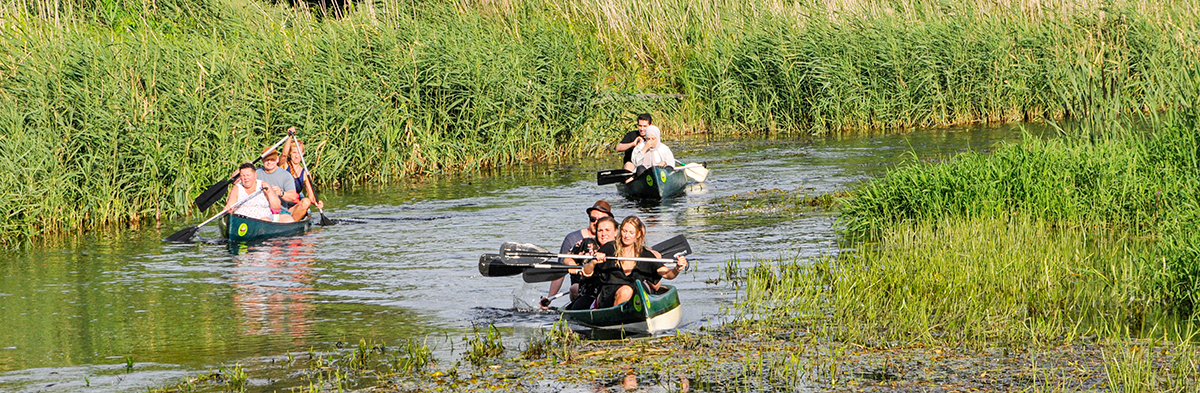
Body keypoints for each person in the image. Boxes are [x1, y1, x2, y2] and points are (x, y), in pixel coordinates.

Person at [581, 216, 688, 309]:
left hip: (634, 298)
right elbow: (586, 272)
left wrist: (677, 268)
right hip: (607, 297)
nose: (626, 236)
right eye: (624, 231)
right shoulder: (609, 248)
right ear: (620, 231)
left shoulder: (644, 254)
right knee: (626, 290)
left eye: (631, 232)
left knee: (631, 291)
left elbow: (667, 274)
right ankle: (616, 319)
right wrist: (594, 261)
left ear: (637, 235)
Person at [542, 200, 614, 308]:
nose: (596, 223)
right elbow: (562, 268)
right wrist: (550, 297)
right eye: (592, 219)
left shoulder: (618, 242)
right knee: (574, 288)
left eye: (601, 220)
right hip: (582, 285)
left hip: (609, 285)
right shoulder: (576, 240)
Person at [565, 216, 619, 310]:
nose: (603, 234)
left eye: (607, 230)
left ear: (616, 232)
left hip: (614, 290)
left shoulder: (622, 247)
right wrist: (572, 265)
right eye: (600, 230)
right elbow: (567, 258)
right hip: (590, 291)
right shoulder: (587, 243)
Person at [257, 144, 311, 221]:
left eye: (272, 159)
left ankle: (292, 223)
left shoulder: (286, 175)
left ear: (277, 160)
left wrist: (281, 193)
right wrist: (247, 166)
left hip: (281, 210)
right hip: (261, 210)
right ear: (262, 160)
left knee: (306, 202)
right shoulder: (255, 173)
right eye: (266, 160)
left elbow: (293, 196)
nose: (269, 162)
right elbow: (234, 180)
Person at [224, 162, 290, 222]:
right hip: (242, 223)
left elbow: (276, 206)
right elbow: (230, 205)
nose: (246, 178)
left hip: (261, 221)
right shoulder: (237, 188)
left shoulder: (263, 185)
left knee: (265, 220)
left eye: (248, 175)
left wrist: (269, 193)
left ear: (255, 175)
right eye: (243, 176)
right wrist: (228, 209)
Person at [280, 128, 325, 215]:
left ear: (303, 153)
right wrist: (289, 136)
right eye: (294, 153)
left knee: (306, 201)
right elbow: (284, 154)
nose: (297, 156)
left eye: (299, 153)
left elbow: (311, 196)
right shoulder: (284, 165)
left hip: (294, 206)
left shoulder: (305, 173)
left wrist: (317, 202)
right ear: (290, 154)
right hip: (282, 204)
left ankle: (293, 219)